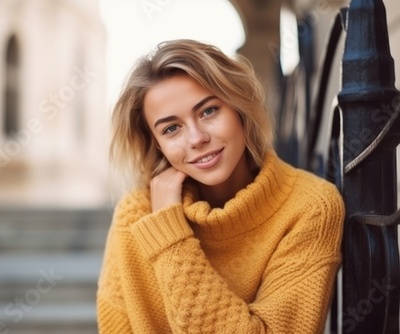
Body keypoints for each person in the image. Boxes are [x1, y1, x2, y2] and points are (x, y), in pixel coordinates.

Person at [97, 39, 345, 333]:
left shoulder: (310, 208)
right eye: (171, 128)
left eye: (208, 111)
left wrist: (170, 238)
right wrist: (161, 221)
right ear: (157, 145)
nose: (196, 138)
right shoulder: (137, 213)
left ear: (239, 108)